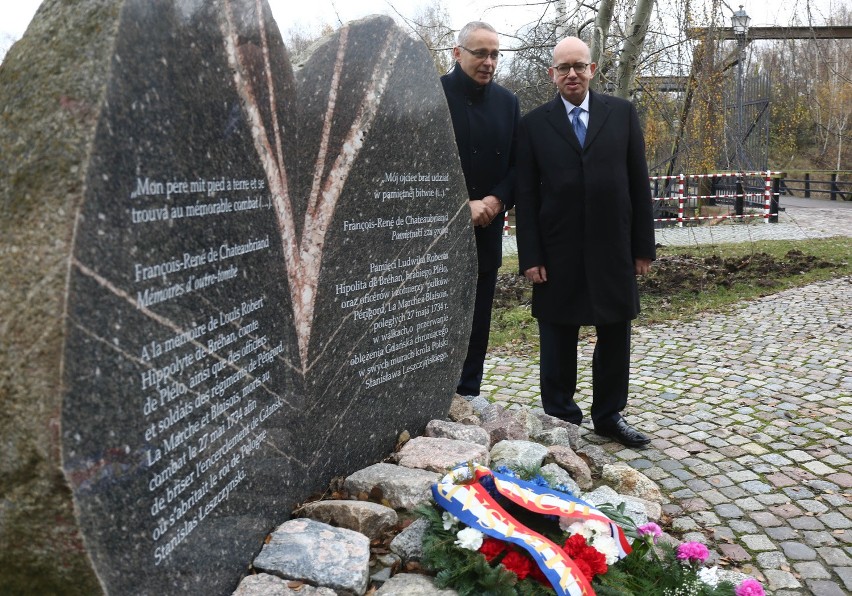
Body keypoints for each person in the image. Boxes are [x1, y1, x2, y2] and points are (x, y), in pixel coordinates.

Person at [514, 36, 655, 448]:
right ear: (552, 74)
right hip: (558, 251)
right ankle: (561, 419)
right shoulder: (534, 125)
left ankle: (609, 416)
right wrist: (531, 255)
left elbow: (637, 183)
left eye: (579, 66)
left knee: (614, 334)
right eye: (563, 68)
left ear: (593, 69)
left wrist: (643, 246)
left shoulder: (622, 114)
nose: (571, 74)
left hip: (614, 247)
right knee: (558, 336)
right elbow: (528, 193)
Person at [441, 21, 520, 398]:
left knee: (477, 323)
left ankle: (467, 396)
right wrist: (459, 205)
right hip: (435, 238)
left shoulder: (508, 103)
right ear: (457, 53)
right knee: (434, 321)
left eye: (494, 54)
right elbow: (417, 167)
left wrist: (496, 199)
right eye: (480, 53)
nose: (489, 62)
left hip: (486, 234)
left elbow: (518, 166)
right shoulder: (432, 96)